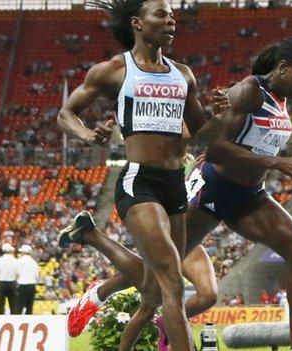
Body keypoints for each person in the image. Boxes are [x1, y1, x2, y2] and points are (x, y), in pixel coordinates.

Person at [64, 36, 292, 351]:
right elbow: (214, 149)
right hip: (211, 189)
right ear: (283, 67)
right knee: (156, 280)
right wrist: (278, 162)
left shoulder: (282, 99)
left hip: (250, 196)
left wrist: (281, 165)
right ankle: (97, 280)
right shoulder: (249, 91)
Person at [57, 0, 228, 349]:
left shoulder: (183, 75)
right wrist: (87, 134)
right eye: (161, 14)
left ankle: (90, 237)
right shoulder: (114, 71)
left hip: (174, 188)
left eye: (172, 15)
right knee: (173, 284)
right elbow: (66, 114)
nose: (170, 19)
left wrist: (221, 118)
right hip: (140, 182)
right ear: (137, 22)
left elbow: (202, 134)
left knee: (153, 291)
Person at [0, 243, 17, 314]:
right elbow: (18, 273)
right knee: (13, 306)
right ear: (10, 251)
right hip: (12, 283)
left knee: (1, 306)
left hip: (2, 283)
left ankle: (1, 321)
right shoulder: (14, 260)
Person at [15, 244, 39, 315]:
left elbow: (16, 273)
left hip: (22, 285)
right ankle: (28, 322)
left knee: (19, 306)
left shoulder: (19, 261)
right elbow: (36, 275)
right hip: (32, 285)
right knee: (29, 307)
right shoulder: (34, 262)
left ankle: (18, 323)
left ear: (23, 252)